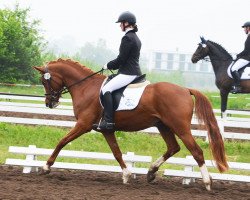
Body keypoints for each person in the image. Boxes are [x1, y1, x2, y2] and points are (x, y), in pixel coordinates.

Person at [93, 11, 142, 130]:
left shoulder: (127, 38)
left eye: (121, 23)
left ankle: (108, 121)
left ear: (127, 23)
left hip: (128, 73)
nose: (120, 25)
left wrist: (108, 65)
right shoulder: (135, 38)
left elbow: (121, 59)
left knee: (106, 89)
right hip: (133, 71)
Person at [230, 21, 250, 94]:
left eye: (245, 28)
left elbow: (247, 50)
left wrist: (237, 56)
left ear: (248, 28)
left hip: (247, 58)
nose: (244, 29)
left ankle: (238, 87)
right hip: (247, 57)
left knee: (233, 69)